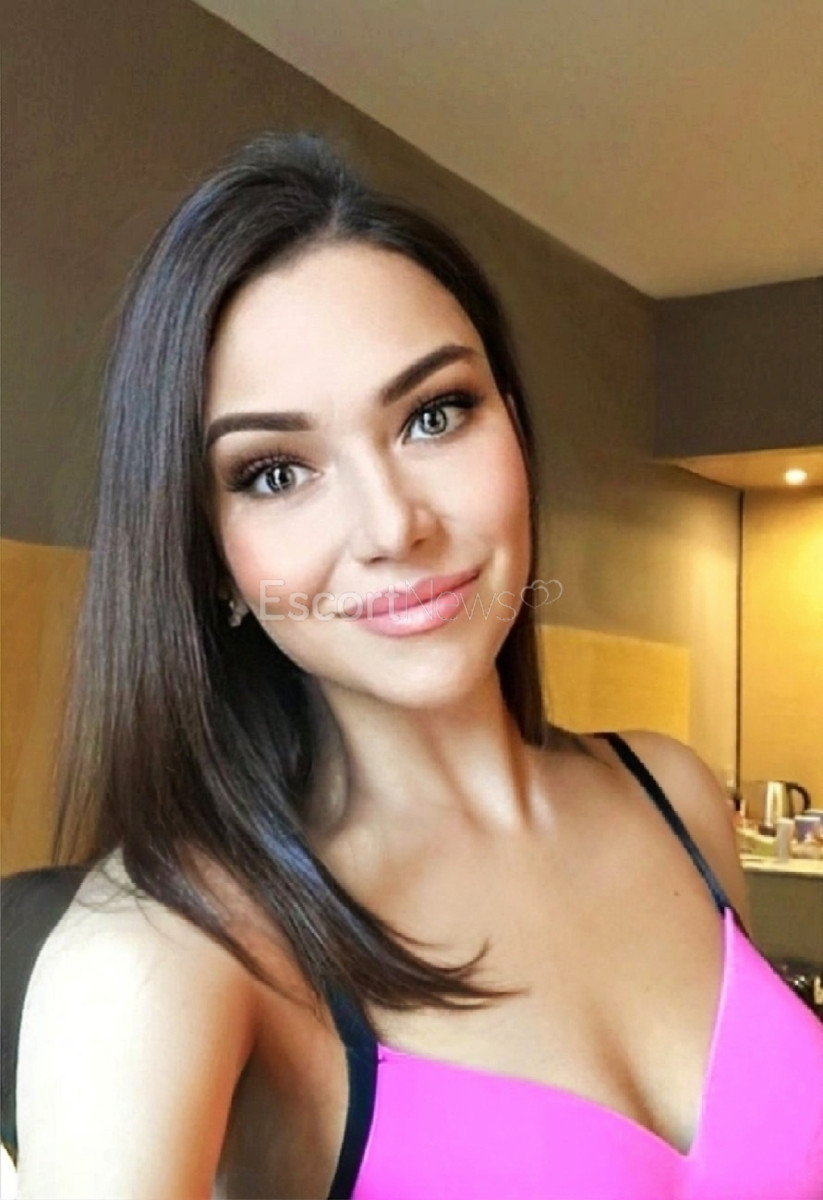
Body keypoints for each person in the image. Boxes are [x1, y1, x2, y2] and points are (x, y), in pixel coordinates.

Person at [3, 131, 822, 1200]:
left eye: (434, 415)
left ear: (513, 429)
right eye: (274, 472)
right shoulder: (167, 948)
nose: (393, 526)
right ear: (206, 554)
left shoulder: (673, 795)